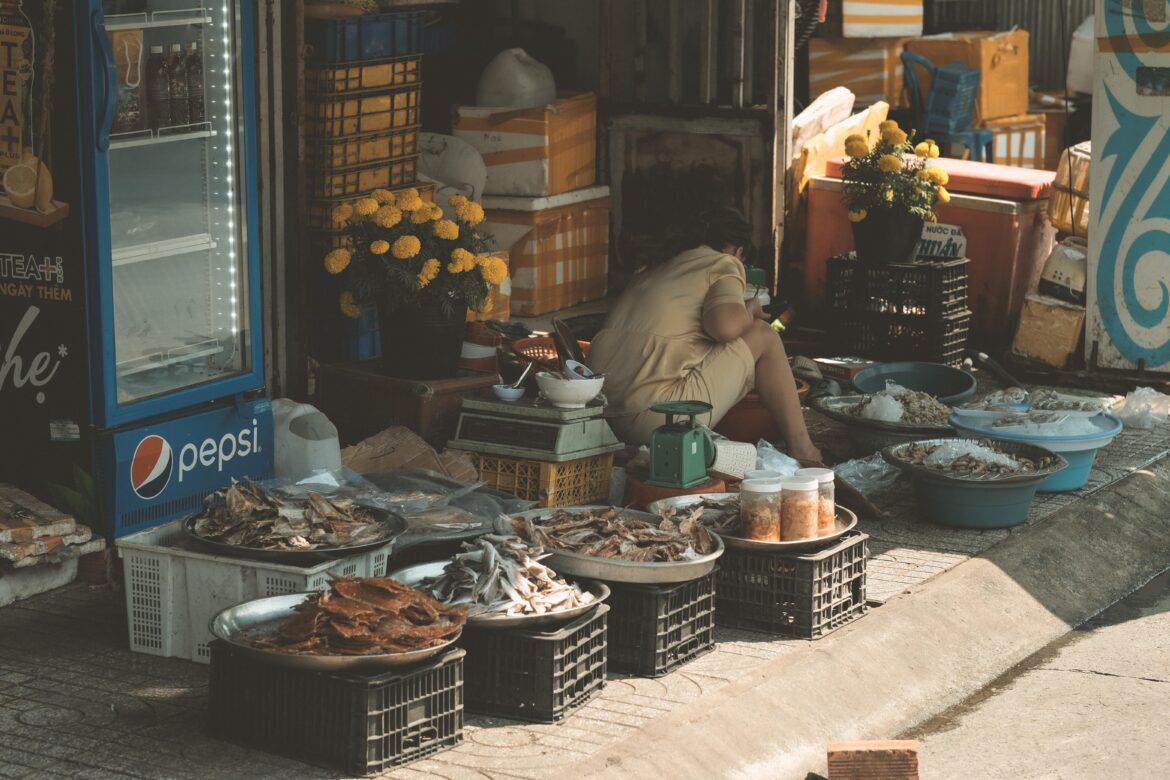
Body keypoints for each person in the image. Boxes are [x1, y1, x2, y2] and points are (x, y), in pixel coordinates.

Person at [589, 207, 822, 462]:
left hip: (601, 417)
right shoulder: (723, 262)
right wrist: (749, 309)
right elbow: (725, 327)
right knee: (763, 335)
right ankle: (804, 449)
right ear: (737, 250)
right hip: (653, 419)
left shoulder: (656, 268)